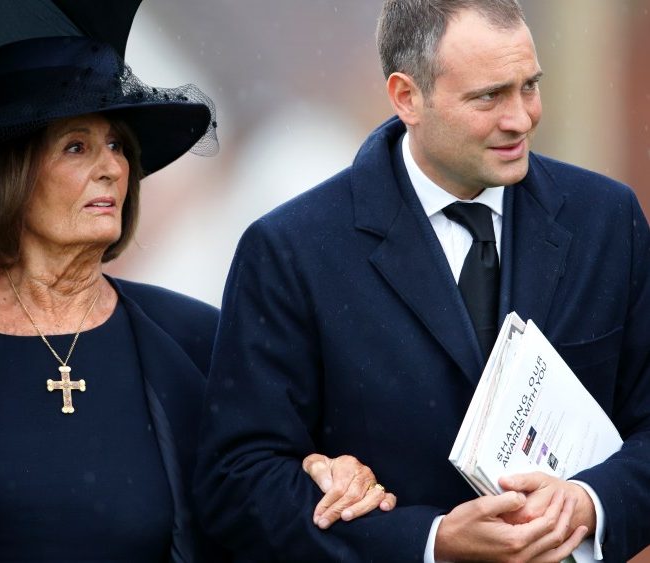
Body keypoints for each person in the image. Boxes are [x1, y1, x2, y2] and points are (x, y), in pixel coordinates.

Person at [0, 36, 391, 563]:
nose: (113, 168)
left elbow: (256, 506)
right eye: (77, 147)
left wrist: (323, 475)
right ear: (7, 173)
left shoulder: (195, 338)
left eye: (118, 146)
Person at [194, 1, 650, 561]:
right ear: (406, 97)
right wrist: (432, 542)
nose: (522, 118)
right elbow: (238, 485)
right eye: (489, 96)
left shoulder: (608, 220)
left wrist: (588, 504)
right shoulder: (292, 250)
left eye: (529, 86)